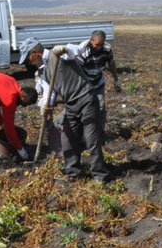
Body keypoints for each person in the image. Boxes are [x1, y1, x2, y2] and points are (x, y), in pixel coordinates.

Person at [20, 37, 109, 182]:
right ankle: (72, 174)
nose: (28, 62)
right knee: (68, 138)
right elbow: (50, 92)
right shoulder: (43, 72)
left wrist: (64, 49)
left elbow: (77, 50)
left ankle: (99, 175)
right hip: (71, 104)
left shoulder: (60, 54)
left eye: (28, 58)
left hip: (86, 98)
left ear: (35, 52)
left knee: (92, 138)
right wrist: (45, 105)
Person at [74, 30, 121, 132]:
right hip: (85, 84)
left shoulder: (107, 49)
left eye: (101, 44)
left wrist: (116, 80)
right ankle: (84, 133)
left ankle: (99, 133)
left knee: (101, 107)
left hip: (98, 81)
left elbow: (111, 63)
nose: (99, 47)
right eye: (97, 45)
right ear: (91, 41)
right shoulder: (82, 51)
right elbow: (77, 71)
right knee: (86, 110)